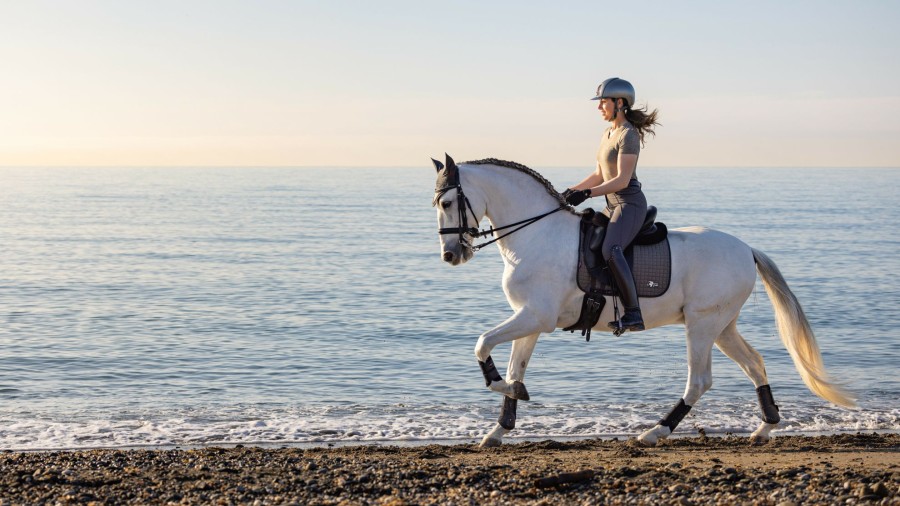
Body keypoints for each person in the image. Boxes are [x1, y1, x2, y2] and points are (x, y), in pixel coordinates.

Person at [562, 77, 660, 332]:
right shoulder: (607, 133)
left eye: (603, 102)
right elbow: (599, 173)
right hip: (611, 205)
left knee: (611, 249)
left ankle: (633, 313)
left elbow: (621, 180)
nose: (599, 108)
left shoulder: (628, 135)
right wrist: (572, 190)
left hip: (629, 204)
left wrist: (588, 194)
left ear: (619, 103)